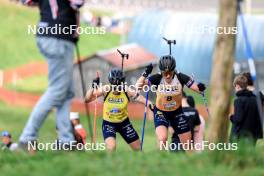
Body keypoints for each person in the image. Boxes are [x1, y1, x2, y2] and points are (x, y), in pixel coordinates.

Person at [19, 0, 84, 151]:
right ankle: (27, 138)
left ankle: (66, 141)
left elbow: (27, 1)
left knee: (66, 92)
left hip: (50, 34)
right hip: (58, 37)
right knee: (57, 90)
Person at [136, 55, 206, 151]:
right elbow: (137, 87)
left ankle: (190, 162)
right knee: (162, 138)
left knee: (187, 143)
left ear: (174, 70)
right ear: (161, 71)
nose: (168, 75)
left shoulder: (180, 77)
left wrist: (201, 87)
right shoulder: (157, 78)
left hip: (176, 112)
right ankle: (162, 159)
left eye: (170, 72)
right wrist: (145, 74)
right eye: (165, 73)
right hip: (161, 112)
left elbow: (198, 89)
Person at [85, 68, 153, 151]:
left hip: (124, 123)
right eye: (114, 85)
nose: (116, 88)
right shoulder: (106, 89)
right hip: (109, 124)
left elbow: (140, 98)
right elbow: (87, 99)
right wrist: (93, 87)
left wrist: (150, 104)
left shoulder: (126, 90)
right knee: (111, 148)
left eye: (118, 86)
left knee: (138, 149)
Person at [230, 74, 263, 146]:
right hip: (252, 135)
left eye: (235, 87)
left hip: (240, 136)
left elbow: (238, 119)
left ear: (238, 86)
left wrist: (231, 117)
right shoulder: (255, 99)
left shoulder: (238, 100)